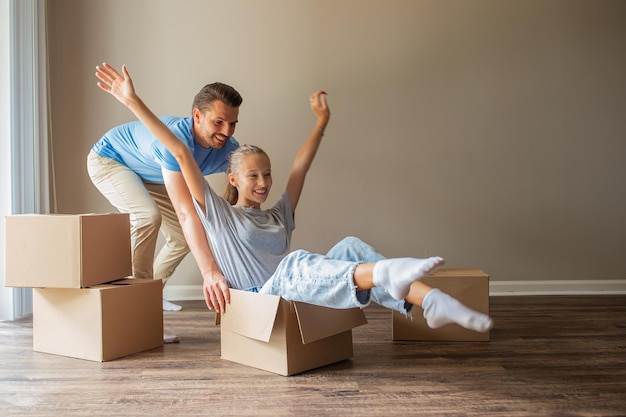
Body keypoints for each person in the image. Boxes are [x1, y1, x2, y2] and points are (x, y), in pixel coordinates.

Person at [95, 63, 493, 335]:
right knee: (295, 264)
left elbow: (300, 169)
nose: (264, 182)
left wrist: (321, 123)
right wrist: (131, 101)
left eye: (267, 175)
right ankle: (388, 275)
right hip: (262, 298)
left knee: (350, 246)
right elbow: (181, 158)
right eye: (254, 176)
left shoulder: (278, 215)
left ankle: (432, 301)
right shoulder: (218, 215)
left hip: (295, 290)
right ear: (232, 178)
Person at [87, 72, 242, 318]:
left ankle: (153, 292)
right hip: (111, 159)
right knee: (147, 216)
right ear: (197, 116)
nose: (227, 131)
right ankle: (138, 307)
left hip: (152, 175)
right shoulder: (176, 143)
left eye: (233, 124)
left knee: (182, 238)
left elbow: (244, 181)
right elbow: (185, 212)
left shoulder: (228, 149)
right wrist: (209, 271)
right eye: (219, 122)